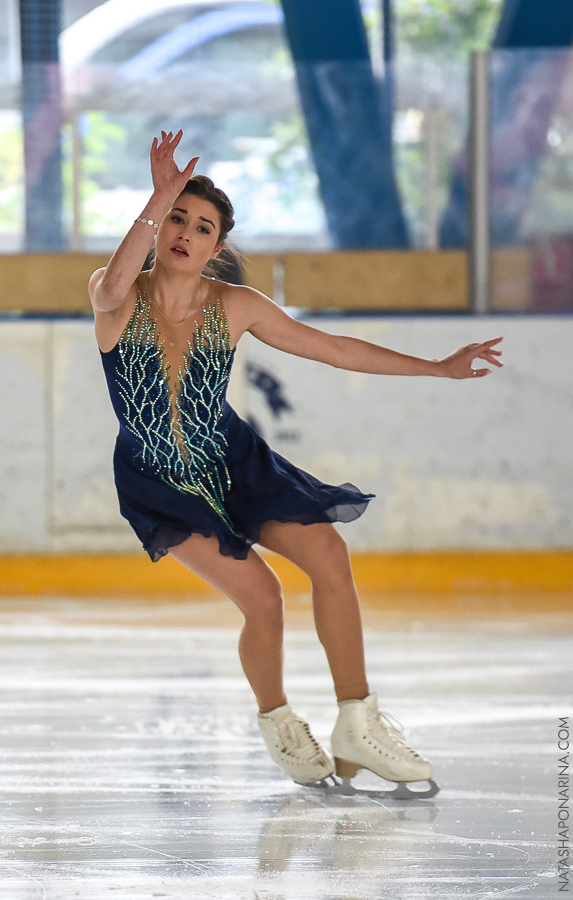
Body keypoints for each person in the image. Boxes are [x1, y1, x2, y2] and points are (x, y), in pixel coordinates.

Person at [89, 130, 503, 795]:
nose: (185, 233)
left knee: (329, 557)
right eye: (176, 217)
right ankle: (278, 720)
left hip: (235, 461)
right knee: (264, 598)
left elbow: (333, 348)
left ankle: (356, 722)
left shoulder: (236, 307)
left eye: (201, 227)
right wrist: (160, 190)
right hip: (158, 482)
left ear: (215, 249)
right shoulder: (115, 297)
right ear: (157, 221)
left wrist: (435, 368)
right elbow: (111, 283)